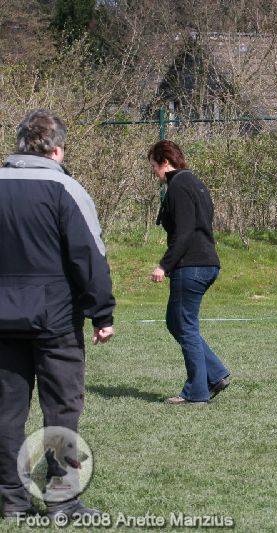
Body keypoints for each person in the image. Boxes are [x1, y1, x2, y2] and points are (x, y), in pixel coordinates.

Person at [0, 110, 115, 520]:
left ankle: (12, 501)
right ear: (57, 150)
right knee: (61, 409)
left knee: (6, 412)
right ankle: (62, 500)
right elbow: (89, 256)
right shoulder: (66, 188)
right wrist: (103, 312)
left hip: (3, 320)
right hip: (57, 320)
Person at [148, 140, 230, 405]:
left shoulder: (179, 186)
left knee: (185, 325)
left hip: (191, 265)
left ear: (164, 162)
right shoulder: (194, 183)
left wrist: (164, 265)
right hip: (205, 263)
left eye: (153, 165)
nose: (153, 172)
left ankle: (197, 391)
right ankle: (215, 374)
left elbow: (184, 233)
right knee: (176, 322)